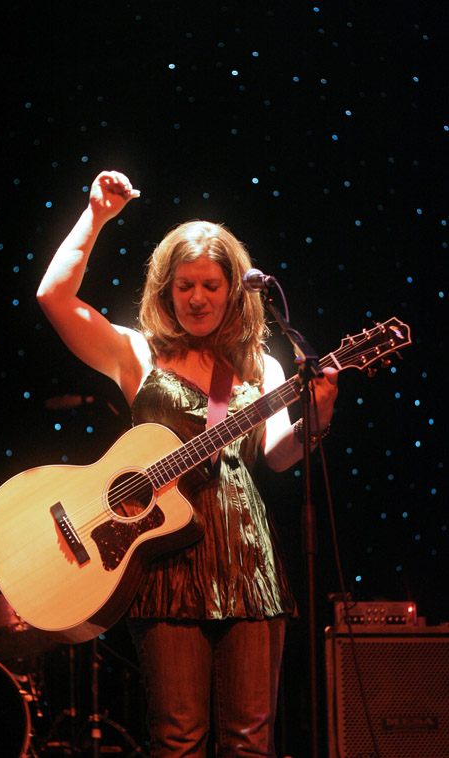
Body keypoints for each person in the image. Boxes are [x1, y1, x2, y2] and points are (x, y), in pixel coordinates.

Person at [37, 170, 338, 757]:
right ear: (165, 292)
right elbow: (54, 297)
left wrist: (317, 419)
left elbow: (277, 458)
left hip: (248, 564)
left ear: (235, 290)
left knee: (251, 743)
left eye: (210, 285)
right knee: (178, 741)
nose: (197, 298)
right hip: (163, 565)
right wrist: (95, 217)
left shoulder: (263, 369)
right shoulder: (138, 353)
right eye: (184, 287)